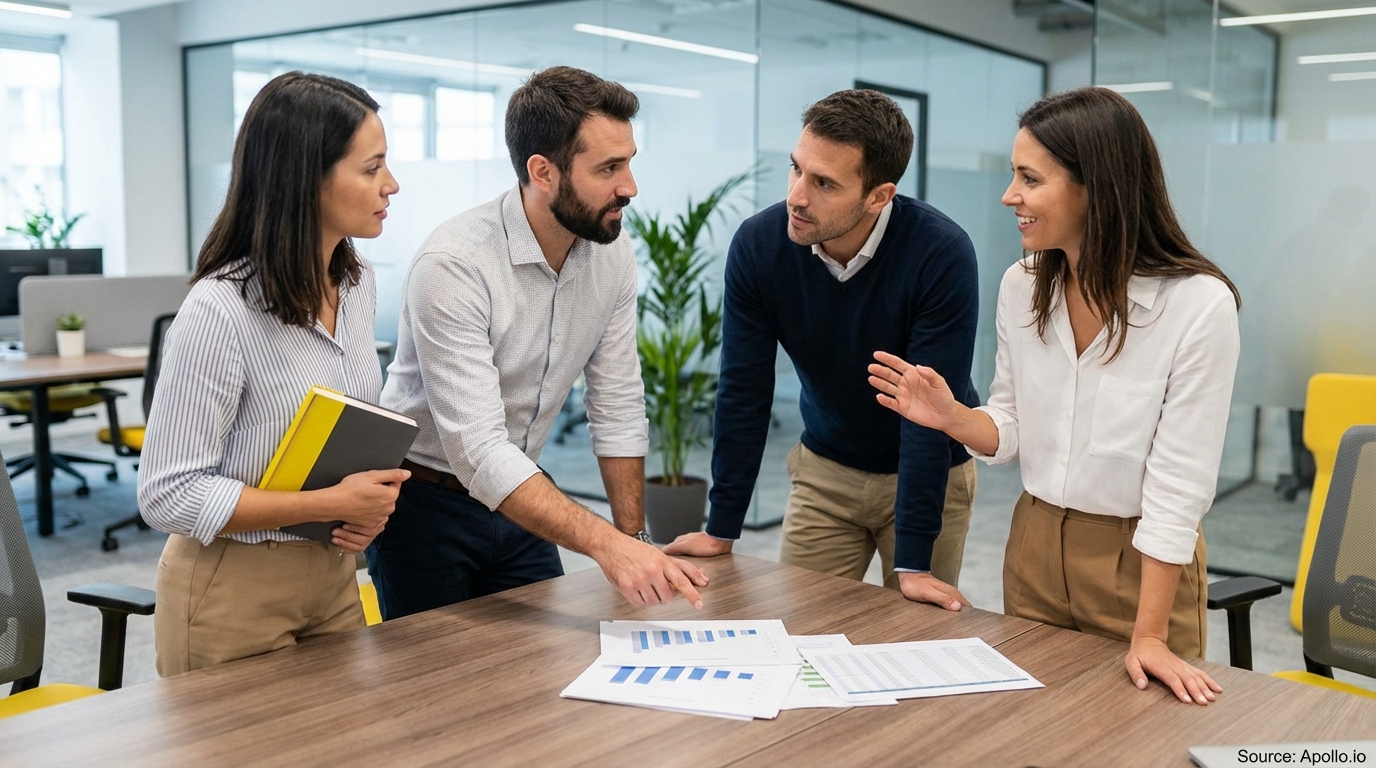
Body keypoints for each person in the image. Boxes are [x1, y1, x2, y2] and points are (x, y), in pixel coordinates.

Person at [869, 87, 1240, 706]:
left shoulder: (1198, 305)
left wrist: (1148, 634)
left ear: (1097, 186)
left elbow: (1179, 487)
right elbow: (1012, 424)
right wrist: (955, 418)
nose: (1009, 195)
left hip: (1139, 562)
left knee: (1135, 733)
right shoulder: (1023, 284)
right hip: (1035, 544)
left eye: (1029, 179)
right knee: (1032, 724)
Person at [367, 66, 708, 620]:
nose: (630, 186)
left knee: (544, 670)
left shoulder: (610, 249)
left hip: (525, 493)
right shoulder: (455, 264)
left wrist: (633, 539)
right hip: (426, 504)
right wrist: (603, 543)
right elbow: (478, 449)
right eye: (609, 168)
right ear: (542, 172)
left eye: (629, 162)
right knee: (434, 692)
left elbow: (617, 401)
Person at [664, 89, 979, 610]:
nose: (796, 196)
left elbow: (926, 413)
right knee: (800, 633)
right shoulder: (760, 245)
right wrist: (722, 525)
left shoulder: (940, 253)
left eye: (824, 183)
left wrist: (915, 560)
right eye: (796, 170)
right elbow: (744, 387)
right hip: (826, 471)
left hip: (929, 472)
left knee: (910, 638)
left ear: (878, 196)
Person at [139, 72, 406, 676]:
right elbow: (167, 492)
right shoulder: (220, 310)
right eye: (371, 169)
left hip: (333, 574)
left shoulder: (357, 286)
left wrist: (362, 507)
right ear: (305, 179)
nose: (391, 185)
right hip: (232, 587)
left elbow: (343, 430)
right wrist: (328, 500)